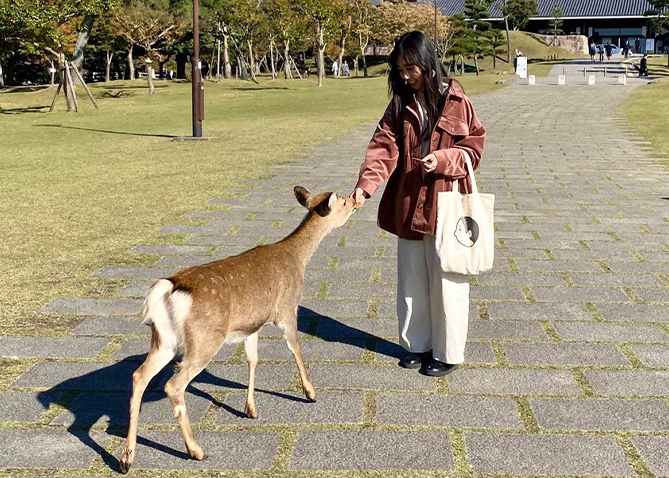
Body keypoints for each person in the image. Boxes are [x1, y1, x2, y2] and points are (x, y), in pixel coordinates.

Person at [350, 31, 486, 377]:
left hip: (446, 203)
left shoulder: (456, 100)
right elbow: (383, 147)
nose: (406, 76)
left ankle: (448, 351)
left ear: (427, 63)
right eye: (400, 70)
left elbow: (474, 147)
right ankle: (416, 345)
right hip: (409, 203)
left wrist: (443, 160)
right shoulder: (400, 104)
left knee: (447, 281)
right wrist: (365, 187)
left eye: (411, 68)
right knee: (411, 280)